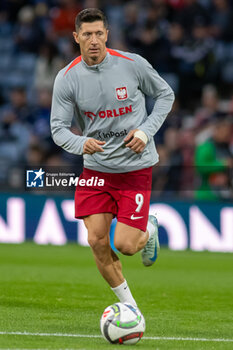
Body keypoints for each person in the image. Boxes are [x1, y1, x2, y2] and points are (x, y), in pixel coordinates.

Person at [51, 8, 175, 307]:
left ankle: (147, 228)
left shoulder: (132, 65)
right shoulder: (67, 78)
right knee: (97, 240)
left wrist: (146, 131)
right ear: (76, 37)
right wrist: (81, 143)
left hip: (135, 168)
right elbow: (57, 129)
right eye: (87, 34)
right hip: (96, 170)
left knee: (126, 245)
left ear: (107, 33)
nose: (93, 40)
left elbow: (165, 95)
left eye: (98, 33)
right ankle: (130, 308)